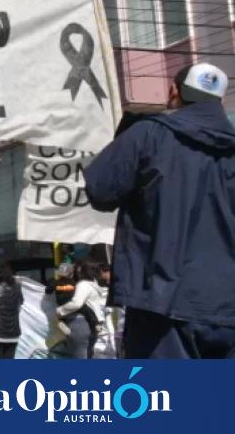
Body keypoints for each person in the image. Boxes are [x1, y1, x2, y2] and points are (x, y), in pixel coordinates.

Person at [86, 63, 235, 359]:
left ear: (173, 92)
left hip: (162, 303)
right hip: (228, 307)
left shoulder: (148, 135)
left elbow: (100, 189)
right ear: (220, 100)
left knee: (168, 402)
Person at [57, 259, 106, 359]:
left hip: (81, 323)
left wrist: (60, 310)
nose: (77, 271)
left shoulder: (83, 285)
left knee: (79, 357)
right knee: (89, 354)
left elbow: (77, 303)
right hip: (95, 323)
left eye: (79, 269)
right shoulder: (94, 283)